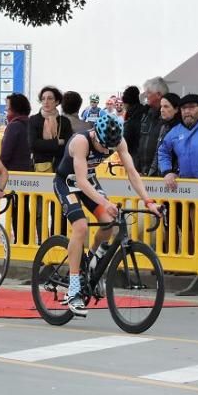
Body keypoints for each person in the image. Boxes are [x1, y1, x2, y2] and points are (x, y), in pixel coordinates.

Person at [54, 112, 163, 315]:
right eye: (104, 146)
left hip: (89, 181)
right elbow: (81, 181)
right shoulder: (81, 141)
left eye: (110, 148)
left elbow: (132, 172)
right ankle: (74, 289)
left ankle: (91, 262)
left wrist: (148, 201)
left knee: (109, 222)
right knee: (80, 226)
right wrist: (105, 202)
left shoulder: (117, 140)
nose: (106, 150)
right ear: (96, 134)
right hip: (68, 182)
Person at [28, 86, 72, 172]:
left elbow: (68, 145)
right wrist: (58, 142)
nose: (46, 102)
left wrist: (44, 144)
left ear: (57, 102)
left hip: (61, 167)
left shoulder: (64, 121)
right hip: (39, 166)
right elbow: (33, 144)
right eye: (43, 99)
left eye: (50, 98)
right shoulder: (34, 119)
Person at [135, 77, 169, 175]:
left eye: (149, 92)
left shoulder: (170, 119)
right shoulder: (145, 116)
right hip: (142, 173)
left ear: (158, 95)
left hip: (162, 176)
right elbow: (139, 144)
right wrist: (137, 169)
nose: (146, 95)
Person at [147, 93, 181, 177]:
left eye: (166, 106)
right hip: (161, 176)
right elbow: (157, 153)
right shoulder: (163, 127)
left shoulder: (182, 130)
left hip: (175, 179)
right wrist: (151, 174)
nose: (162, 110)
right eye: (161, 106)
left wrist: (175, 173)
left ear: (176, 109)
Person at [0, 93, 34, 173]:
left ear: (15, 108)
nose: (6, 109)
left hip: (12, 174)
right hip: (28, 171)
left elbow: (5, 155)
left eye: (7, 106)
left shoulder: (14, 126)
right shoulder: (31, 124)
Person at [120, 85, 145, 162]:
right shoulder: (145, 111)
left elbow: (124, 141)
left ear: (126, 103)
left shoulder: (131, 118)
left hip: (135, 158)